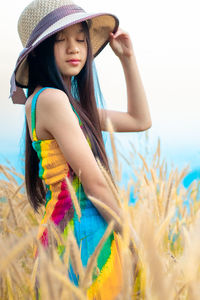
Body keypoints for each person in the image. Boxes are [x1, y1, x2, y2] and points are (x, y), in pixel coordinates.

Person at [10, 0, 152, 298]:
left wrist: (127, 59)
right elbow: (95, 182)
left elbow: (140, 120)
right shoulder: (52, 100)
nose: (73, 48)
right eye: (60, 40)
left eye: (80, 39)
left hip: (86, 239)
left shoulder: (63, 104)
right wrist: (132, 237)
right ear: (40, 52)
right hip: (78, 241)